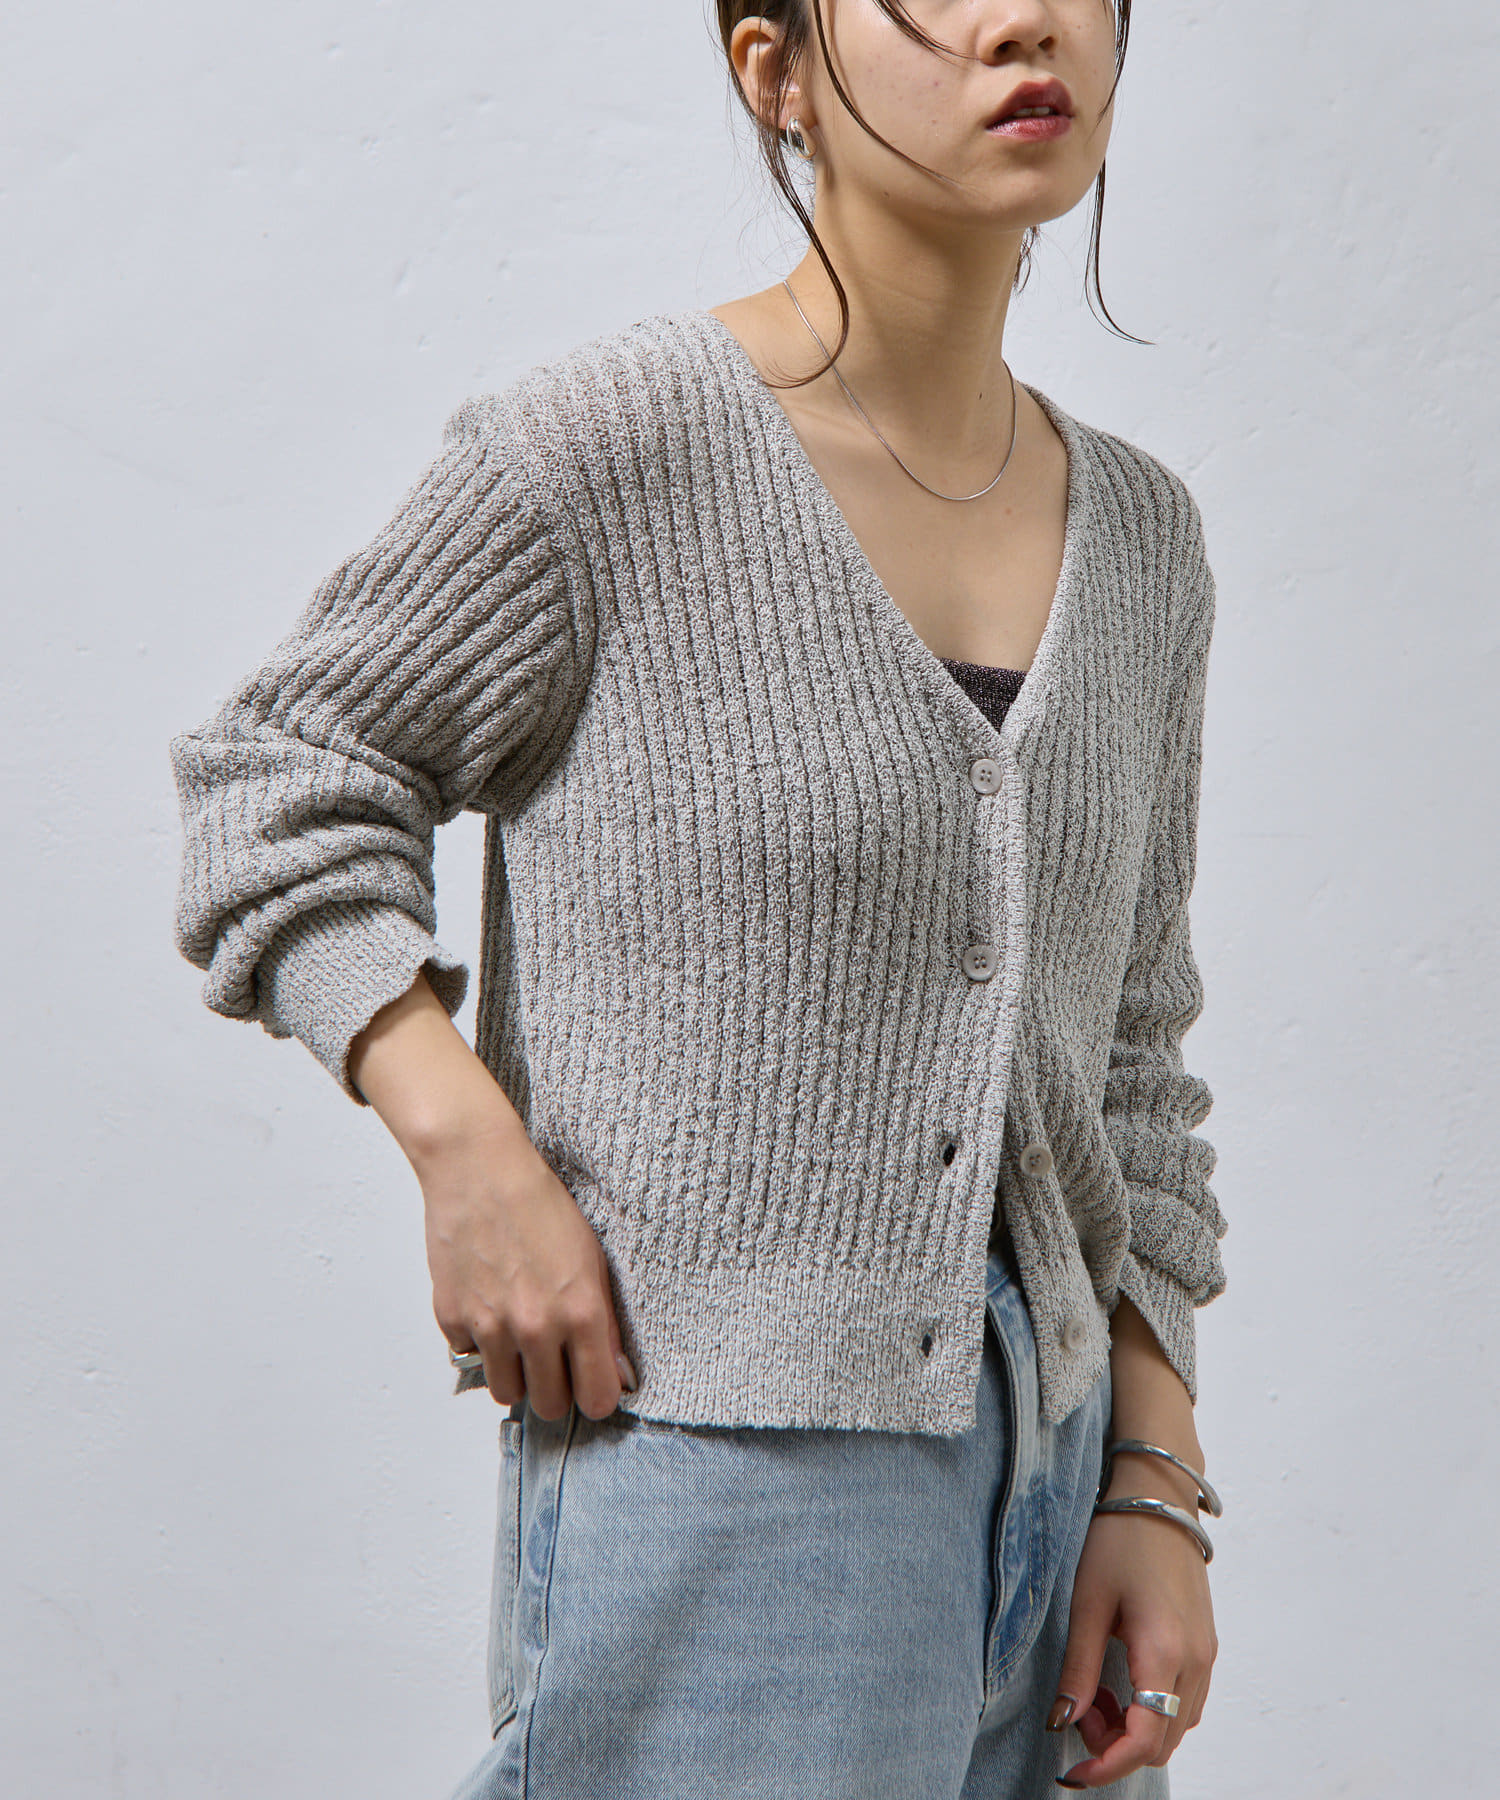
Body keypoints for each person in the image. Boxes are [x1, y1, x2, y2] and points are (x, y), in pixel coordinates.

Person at [168, 3, 1229, 1794]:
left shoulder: (1144, 539)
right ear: (774, 69)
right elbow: (273, 779)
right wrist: (468, 1150)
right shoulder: (606, 452)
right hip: (727, 1488)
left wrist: (1154, 1476)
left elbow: (1128, 1045)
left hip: (1062, 1516)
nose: (1023, 21)